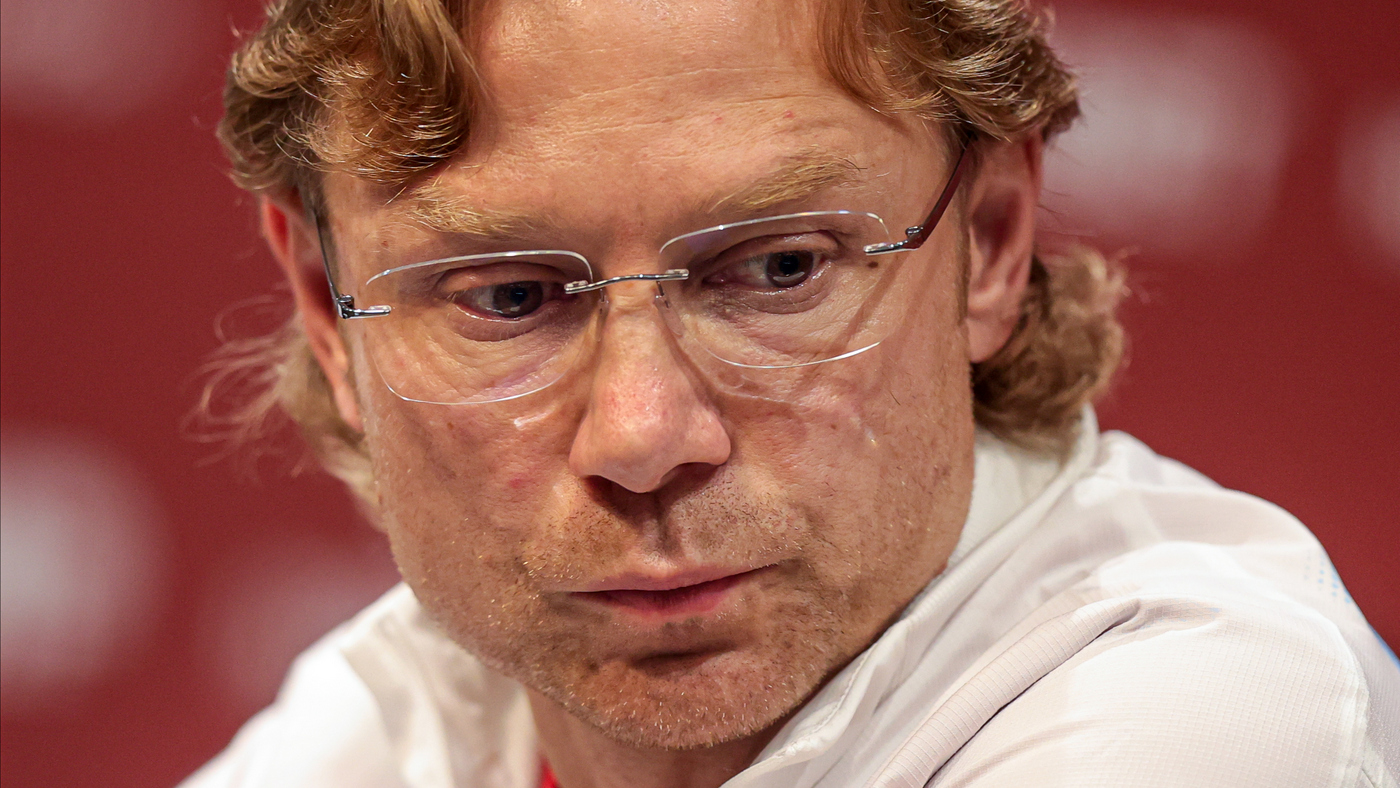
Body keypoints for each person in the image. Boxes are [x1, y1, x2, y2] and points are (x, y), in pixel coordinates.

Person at [184, 0, 1398, 786]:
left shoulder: (1202, 713)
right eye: (507, 296)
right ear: (325, 310)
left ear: (987, 240)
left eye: (776, 269)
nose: (643, 435)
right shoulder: (391, 714)